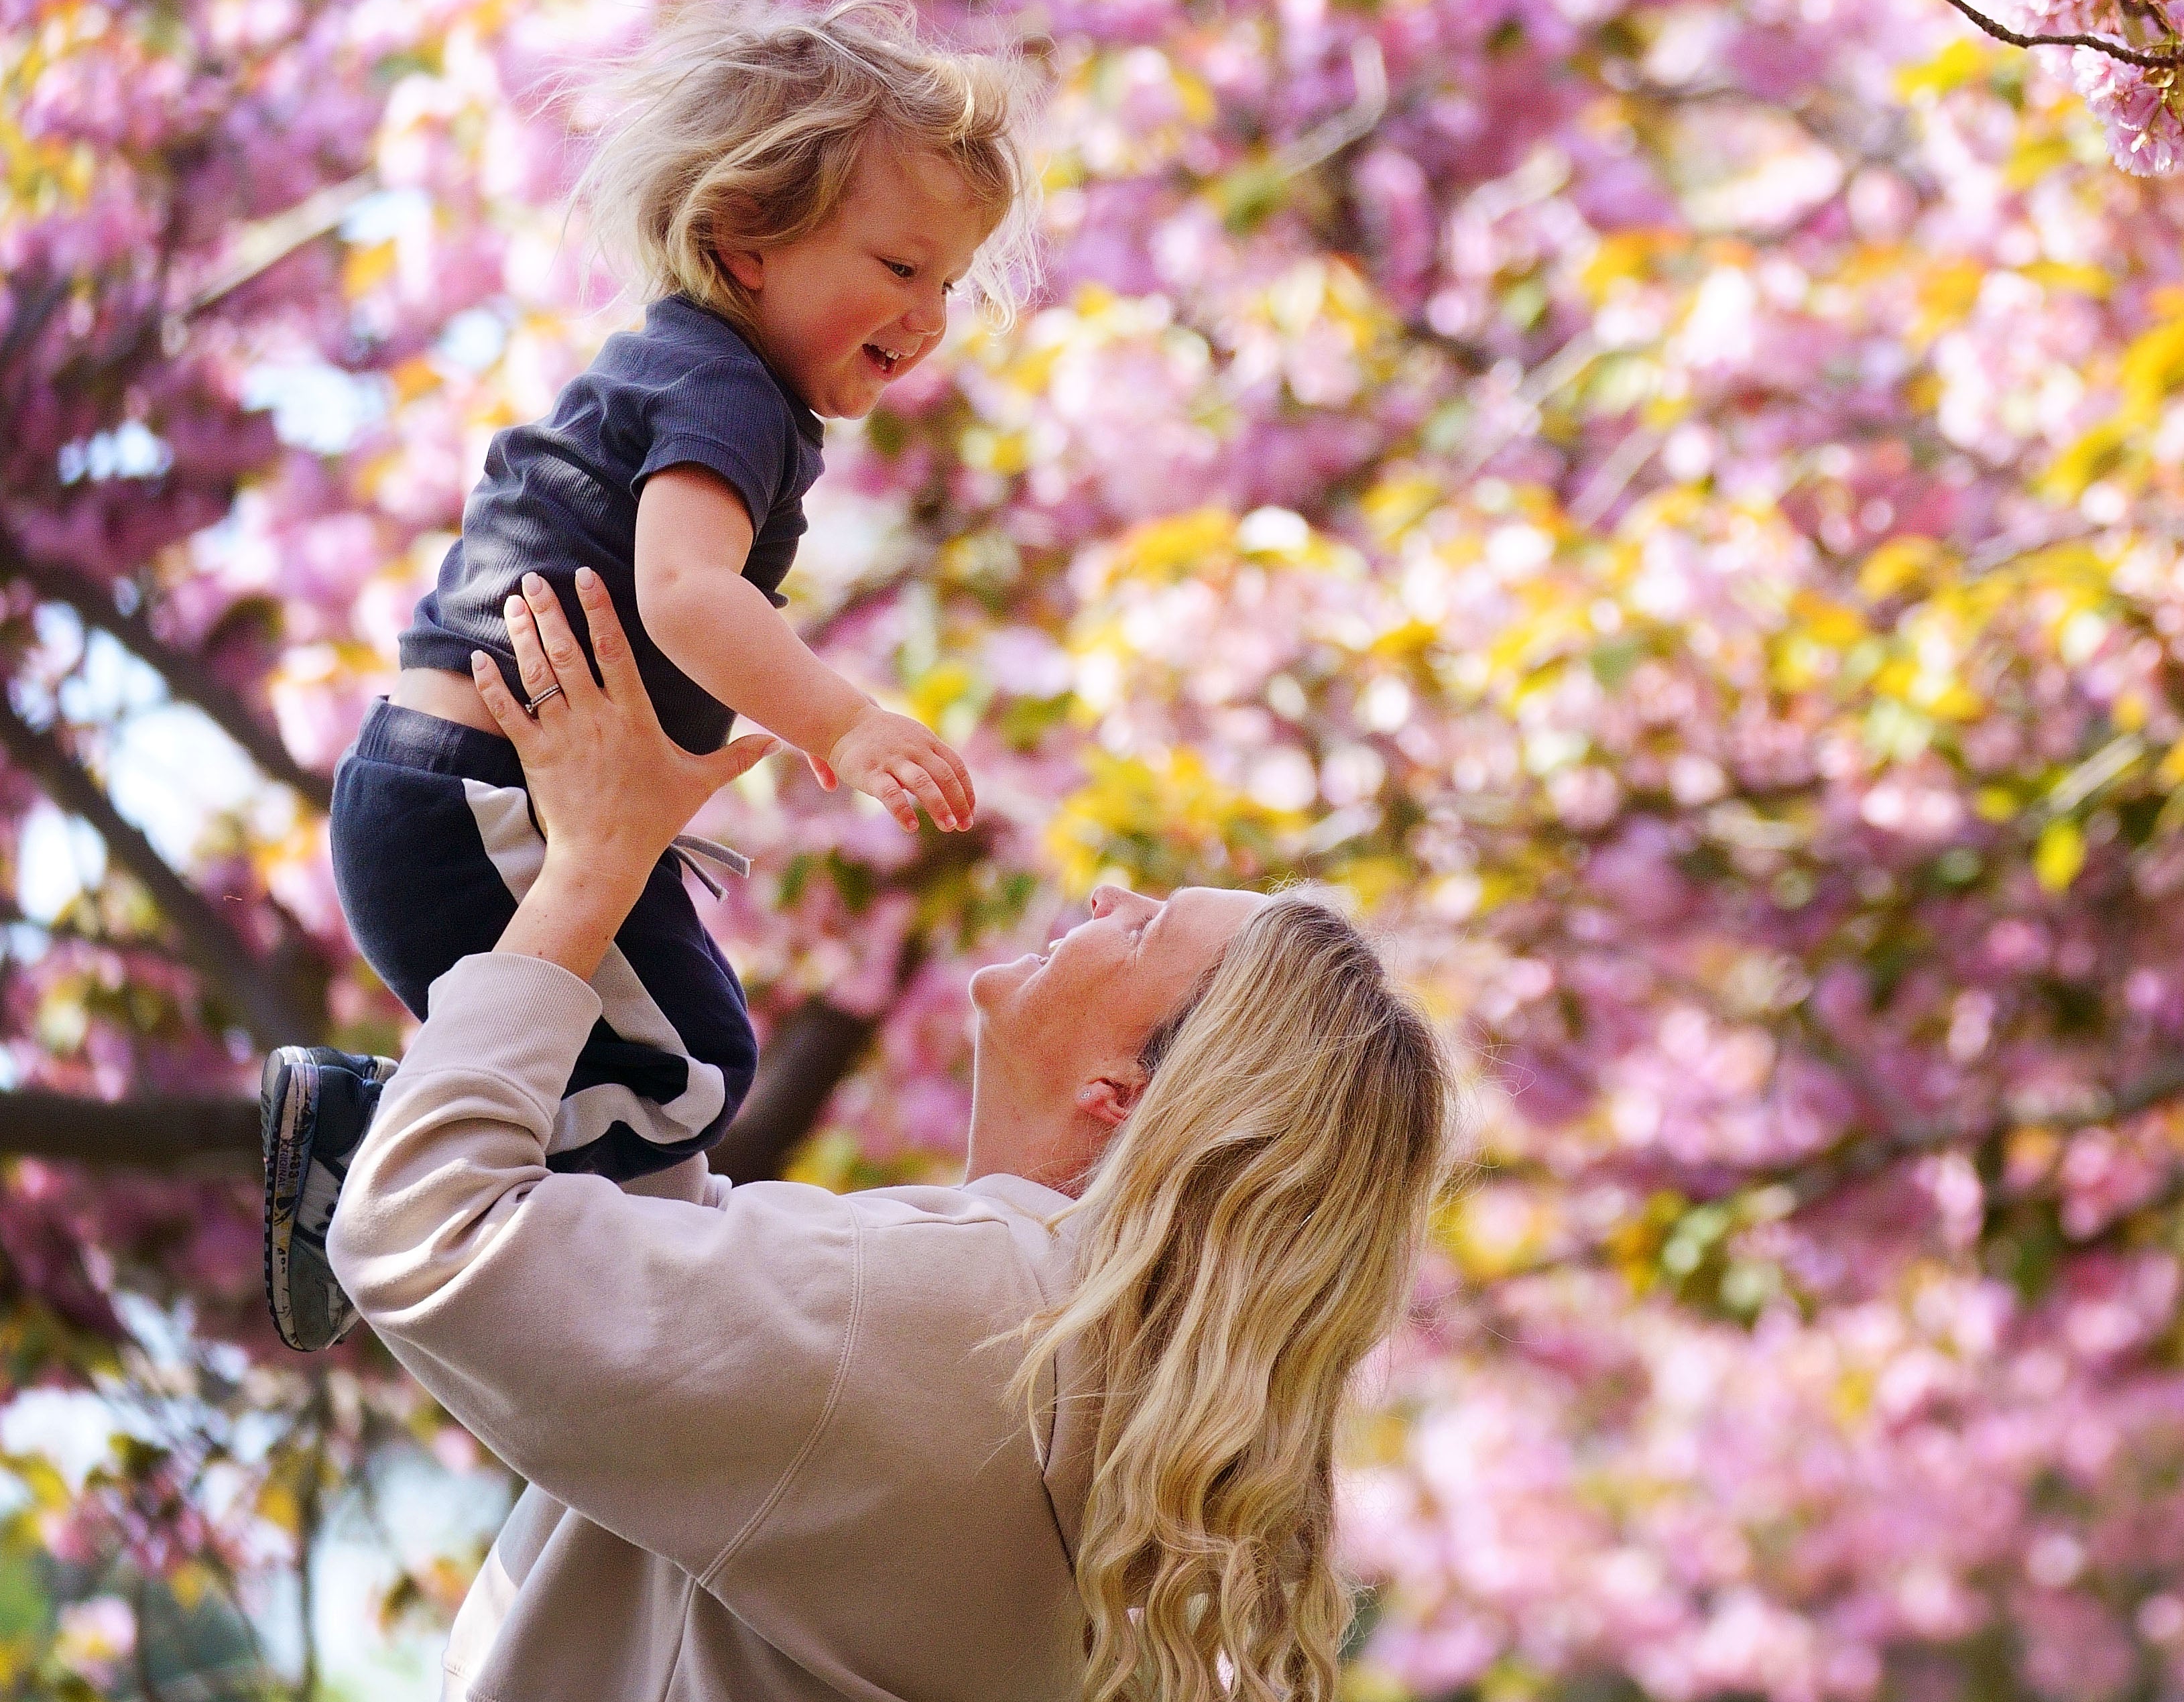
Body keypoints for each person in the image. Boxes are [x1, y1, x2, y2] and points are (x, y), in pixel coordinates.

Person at [331, 571, 1455, 1702]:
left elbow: (425, 1233)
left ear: (1130, 1085)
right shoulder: (1101, 1417)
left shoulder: (954, 1319)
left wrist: (589, 866)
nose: (1110, 893)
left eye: (1149, 924)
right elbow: (684, 1304)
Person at [265, 0, 1037, 1350]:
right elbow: (686, 593)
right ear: (746, 241)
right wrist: (843, 725)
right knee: (679, 1068)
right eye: (902, 265)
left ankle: (422, 1166)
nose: (929, 316)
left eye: (950, 284)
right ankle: (391, 1151)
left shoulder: (693, 372)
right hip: (482, 803)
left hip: (444, 792)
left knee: (668, 1059)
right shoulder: (729, 389)